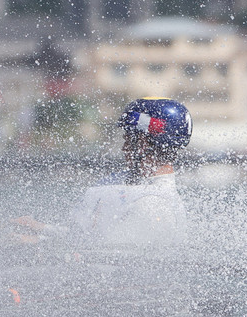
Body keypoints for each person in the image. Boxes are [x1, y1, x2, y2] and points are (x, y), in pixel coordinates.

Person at [12, 98, 191, 245]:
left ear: (143, 142)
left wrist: (38, 242)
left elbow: (106, 254)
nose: (124, 149)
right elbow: (91, 238)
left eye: (128, 141)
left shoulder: (153, 206)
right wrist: (41, 228)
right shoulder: (135, 187)